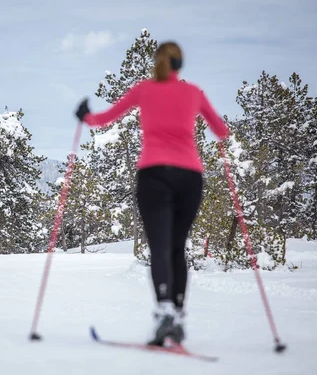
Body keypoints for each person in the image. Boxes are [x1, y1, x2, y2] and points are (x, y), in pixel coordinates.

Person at [75, 41, 230, 346]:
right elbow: (221, 130)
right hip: (190, 178)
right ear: (180, 64)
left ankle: (164, 313)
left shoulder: (144, 90)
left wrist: (84, 116)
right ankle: (179, 316)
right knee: (177, 248)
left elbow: (104, 118)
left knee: (159, 246)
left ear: (156, 62)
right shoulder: (194, 92)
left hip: (154, 175)